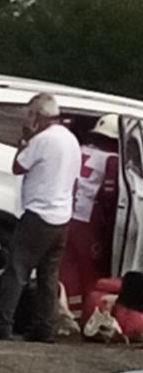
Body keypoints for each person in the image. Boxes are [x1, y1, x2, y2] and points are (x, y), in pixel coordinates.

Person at [0, 93, 81, 342]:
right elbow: (75, 182)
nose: (28, 119)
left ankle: (1, 324)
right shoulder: (71, 141)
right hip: (62, 217)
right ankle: (44, 327)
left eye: (30, 114)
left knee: (17, 270)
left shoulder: (42, 140)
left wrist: (24, 141)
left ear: (38, 115)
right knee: (49, 275)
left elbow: (18, 166)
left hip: (38, 214)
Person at [59, 114, 120, 317]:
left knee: (67, 268)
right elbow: (110, 196)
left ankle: (67, 311)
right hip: (90, 222)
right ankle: (90, 316)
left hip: (69, 215)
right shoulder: (113, 159)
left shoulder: (82, 151)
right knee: (90, 272)